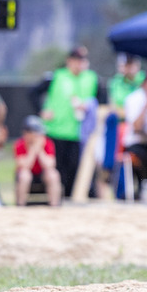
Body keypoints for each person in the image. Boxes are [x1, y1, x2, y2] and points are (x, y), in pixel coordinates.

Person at [40, 46, 99, 197]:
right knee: (59, 169)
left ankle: (72, 199)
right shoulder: (57, 76)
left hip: (80, 133)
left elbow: (101, 101)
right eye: (76, 60)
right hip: (56, 131)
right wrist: (42, 109)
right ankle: (57, 198)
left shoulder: (91, 78)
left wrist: (88, 106)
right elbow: (33, 92)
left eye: (82, 61)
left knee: (75, 169)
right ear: (69, 61)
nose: (79, 64)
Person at [13, 115, 62, 206]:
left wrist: (40, 150)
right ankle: (20, 205)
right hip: (28, 175)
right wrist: (32, 150)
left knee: (53, 175)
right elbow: (24, 165)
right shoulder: (19, 144)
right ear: (27, 133)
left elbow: (49, 164)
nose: (38, 136)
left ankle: (55, 205)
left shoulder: (47, 143)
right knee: (24, 175)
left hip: (42, 174)